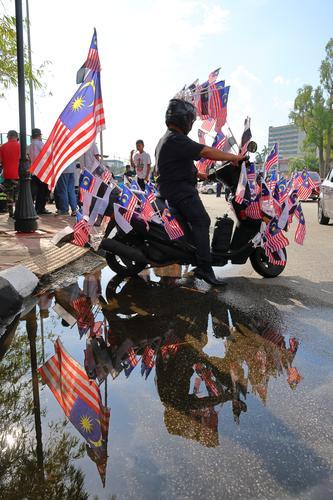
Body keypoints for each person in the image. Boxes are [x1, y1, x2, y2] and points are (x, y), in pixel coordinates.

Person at [155, 99, 245, 286]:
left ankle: (196, 256)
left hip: (171, 189)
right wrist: (233, 157)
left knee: (197, 222)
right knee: (202, 220)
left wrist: (203, 175)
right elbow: (205, 151)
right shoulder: (176, 138)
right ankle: (205, 267)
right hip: (180, 192)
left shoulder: (167, 138)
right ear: (184, 119)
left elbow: (178, 165)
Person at [27, 128, 51, 215]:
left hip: (34, 171)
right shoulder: (40, 144)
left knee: (37, 191)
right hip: (42, 171)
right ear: (39, 135)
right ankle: (40, 208)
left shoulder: (29, 146)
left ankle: (37, 208)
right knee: (43, 190)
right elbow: (48, 154)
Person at [0, 130, 20, 217]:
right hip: (19, 175)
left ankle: (11, 213)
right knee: (19, 194)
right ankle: (19, 211)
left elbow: (0, 161)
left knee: (9, 195)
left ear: (8, 136)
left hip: (7, 174)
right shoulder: (21, 146)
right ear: (16, 137)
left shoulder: (2, 147)